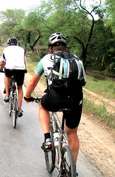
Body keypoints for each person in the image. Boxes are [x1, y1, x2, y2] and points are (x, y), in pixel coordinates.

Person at [24, 33, 84, 165]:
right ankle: (72, 170)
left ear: (50, 49)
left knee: (42, 106)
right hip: (75, 98)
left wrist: (27, 96)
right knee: (72, 132)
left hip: (55, 97)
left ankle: (47, 139)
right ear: (66, 48)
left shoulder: (46, 59)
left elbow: (33, 82)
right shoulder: (76, 59)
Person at [0, 37, 26, 117]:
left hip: (9, 68)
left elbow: (2, 62)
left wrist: (1, 69)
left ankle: (7, 95)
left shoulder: (5, 49)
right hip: (21, 69)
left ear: (8, 44)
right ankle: (19, 108)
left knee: (6, 76)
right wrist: (25, 69)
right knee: (20, 88)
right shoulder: (22, 49)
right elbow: (24, 61)